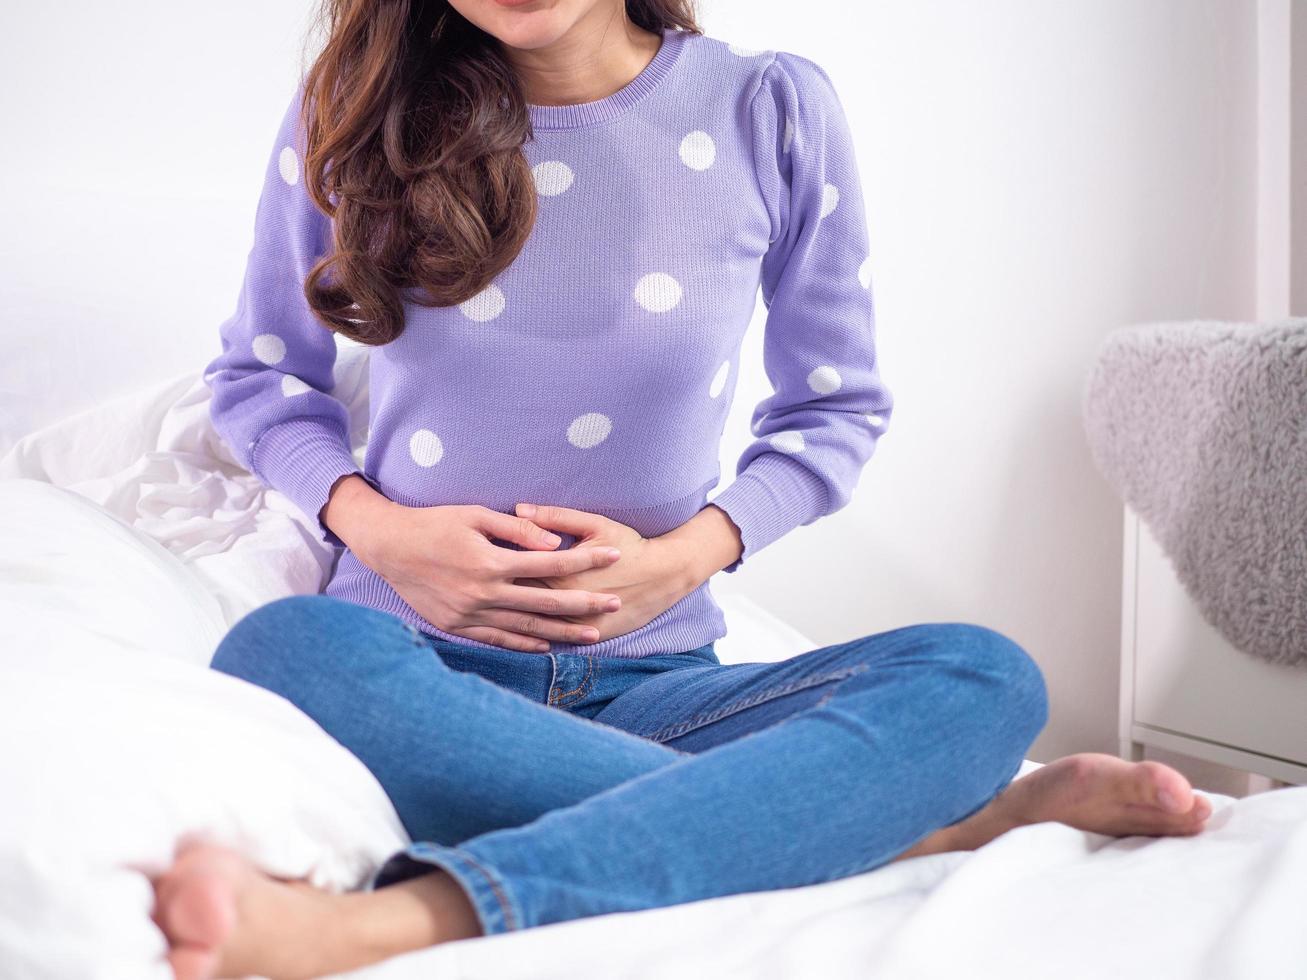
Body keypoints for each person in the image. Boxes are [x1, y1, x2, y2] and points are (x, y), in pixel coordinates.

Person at [157, 0, 1213, 977]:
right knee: (280, 648)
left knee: (981, 676)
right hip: (416, 668)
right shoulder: (349, 119)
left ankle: (392, 918)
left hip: (658, 692)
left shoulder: (766, 109)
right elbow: (260, 378)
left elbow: (832, 409)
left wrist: (687, 557)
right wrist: (379, 532)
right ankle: (902, 828)